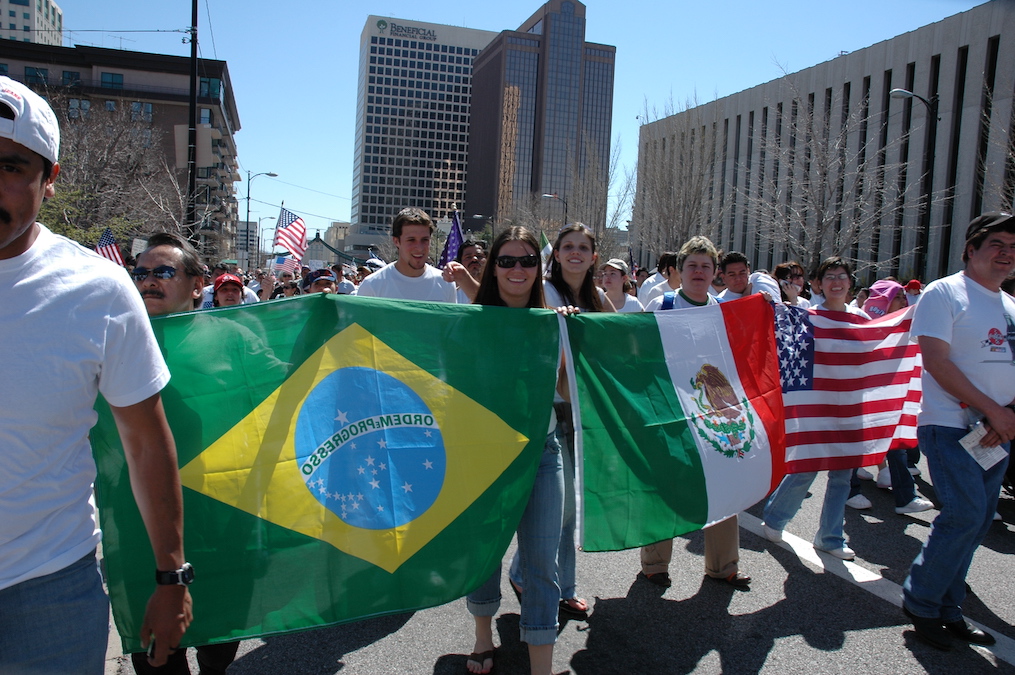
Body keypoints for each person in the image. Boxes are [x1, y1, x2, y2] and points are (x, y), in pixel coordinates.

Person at [0, 76, 191, 673]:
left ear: (49, 180)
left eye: (9, 165)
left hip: (49, 593)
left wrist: (172, 577)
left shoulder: (99, 291)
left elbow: (145, 442)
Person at [901, 212, 1015, 650]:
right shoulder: (944, 292)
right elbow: (937, 361)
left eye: (1012, 248)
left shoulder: (1006, 303)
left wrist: (1007, 415)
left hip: (996, 432)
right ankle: (922, 601)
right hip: (952, 427)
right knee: (963, 515)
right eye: (997, 244)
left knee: (978, 522)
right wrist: (989, 410)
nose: (1006, 255)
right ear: (971, 249)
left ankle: (950, 608)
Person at [131, 233, 243, 674]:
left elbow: (284, 390)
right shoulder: (119, 340)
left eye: (163, 272)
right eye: (141, 273)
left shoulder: (233, 339)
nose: (149, 282)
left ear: (199, 285)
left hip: (221, 517)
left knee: (218, 645)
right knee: (157, 657)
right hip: (142, 523)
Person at [465, 227, 565, 675]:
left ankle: (541, 666)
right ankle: (483, 638)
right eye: (506, 260)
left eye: (527, 260)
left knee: (543, 564)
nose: (517, 269)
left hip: (543, 453)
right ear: (493, 268)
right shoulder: (471, 321)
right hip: (486, 455)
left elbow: (567, 391)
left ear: (538, 269)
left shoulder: (556, 320)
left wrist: (566, 340)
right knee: (485, 553)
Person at [508, 223, 611, 623]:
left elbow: (621, 339)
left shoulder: (598, 297)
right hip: (546, 411)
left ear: (593, 256)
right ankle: (541, 581)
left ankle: (541, 579)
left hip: (582, 411)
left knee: (568, 507)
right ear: (557, 253)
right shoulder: (545, 291)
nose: (574, 252)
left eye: (583, 247)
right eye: (567, 246)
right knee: (560, 507)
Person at [638, 236, 752, 590]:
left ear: (714, 272)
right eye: (692, 266)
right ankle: (654, 565)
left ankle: (723, 566)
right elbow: (640, 353)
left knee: (723, 488)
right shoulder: (663, 304)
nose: (699, 272)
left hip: (712, 414)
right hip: (670, 412)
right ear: (680, 270)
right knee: (667, 488)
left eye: (706, 266)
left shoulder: (723, 311)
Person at [761, 256, 868, 560]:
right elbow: (783, 340)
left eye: (842, 276)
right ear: (819, 284)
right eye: (829, 276)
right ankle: (776, 517)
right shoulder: (808, 315)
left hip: (850, 408)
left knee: (842, 476)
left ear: (850, 282)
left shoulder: (861, 319)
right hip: (816, 407)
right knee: (805, 469)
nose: (836, 281)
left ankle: (831, 537)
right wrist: (770, 305)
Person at [357, 207, 461, 302]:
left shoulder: (445, 284)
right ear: (397, 241)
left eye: (424, 240)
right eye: (411, 240)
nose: (419, 248)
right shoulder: (372, 285)